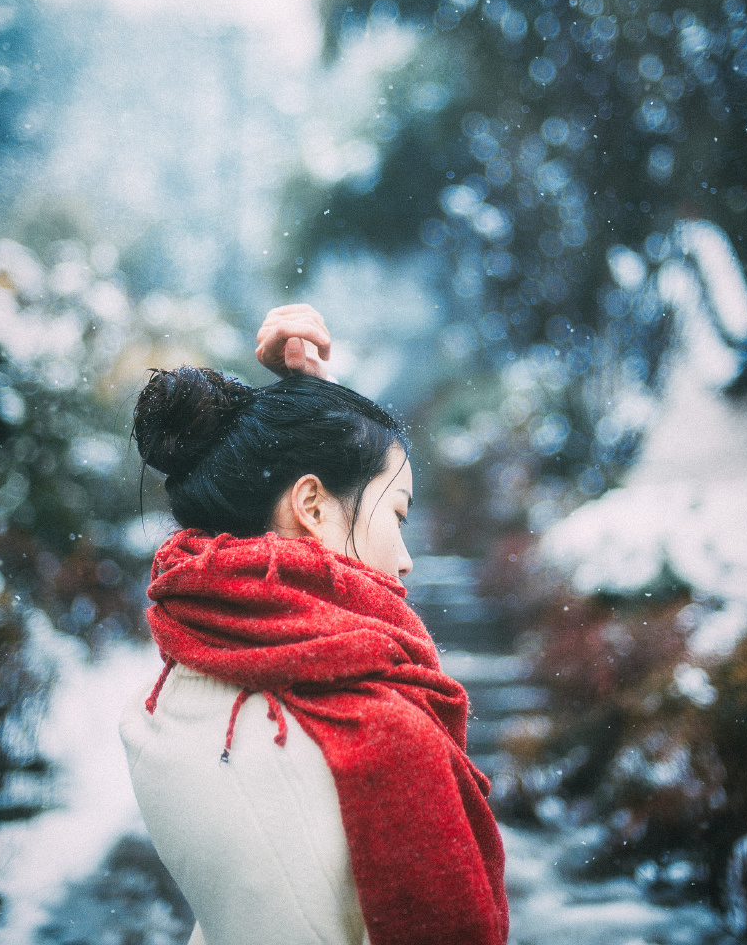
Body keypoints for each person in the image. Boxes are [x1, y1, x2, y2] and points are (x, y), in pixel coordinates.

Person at [119, 304, 508, 945]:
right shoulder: (389, 741)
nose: (405, 559)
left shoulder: (160, 706)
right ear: (311, 504)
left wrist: (320, 414)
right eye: (398, 515)